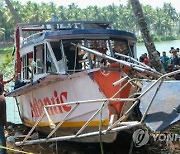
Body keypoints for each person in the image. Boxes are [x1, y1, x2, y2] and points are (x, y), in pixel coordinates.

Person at [0, 84, 6, 154]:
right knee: (2, 136)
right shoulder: (2, 98)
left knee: (1, 137)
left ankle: (2, 152)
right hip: (2, 120)